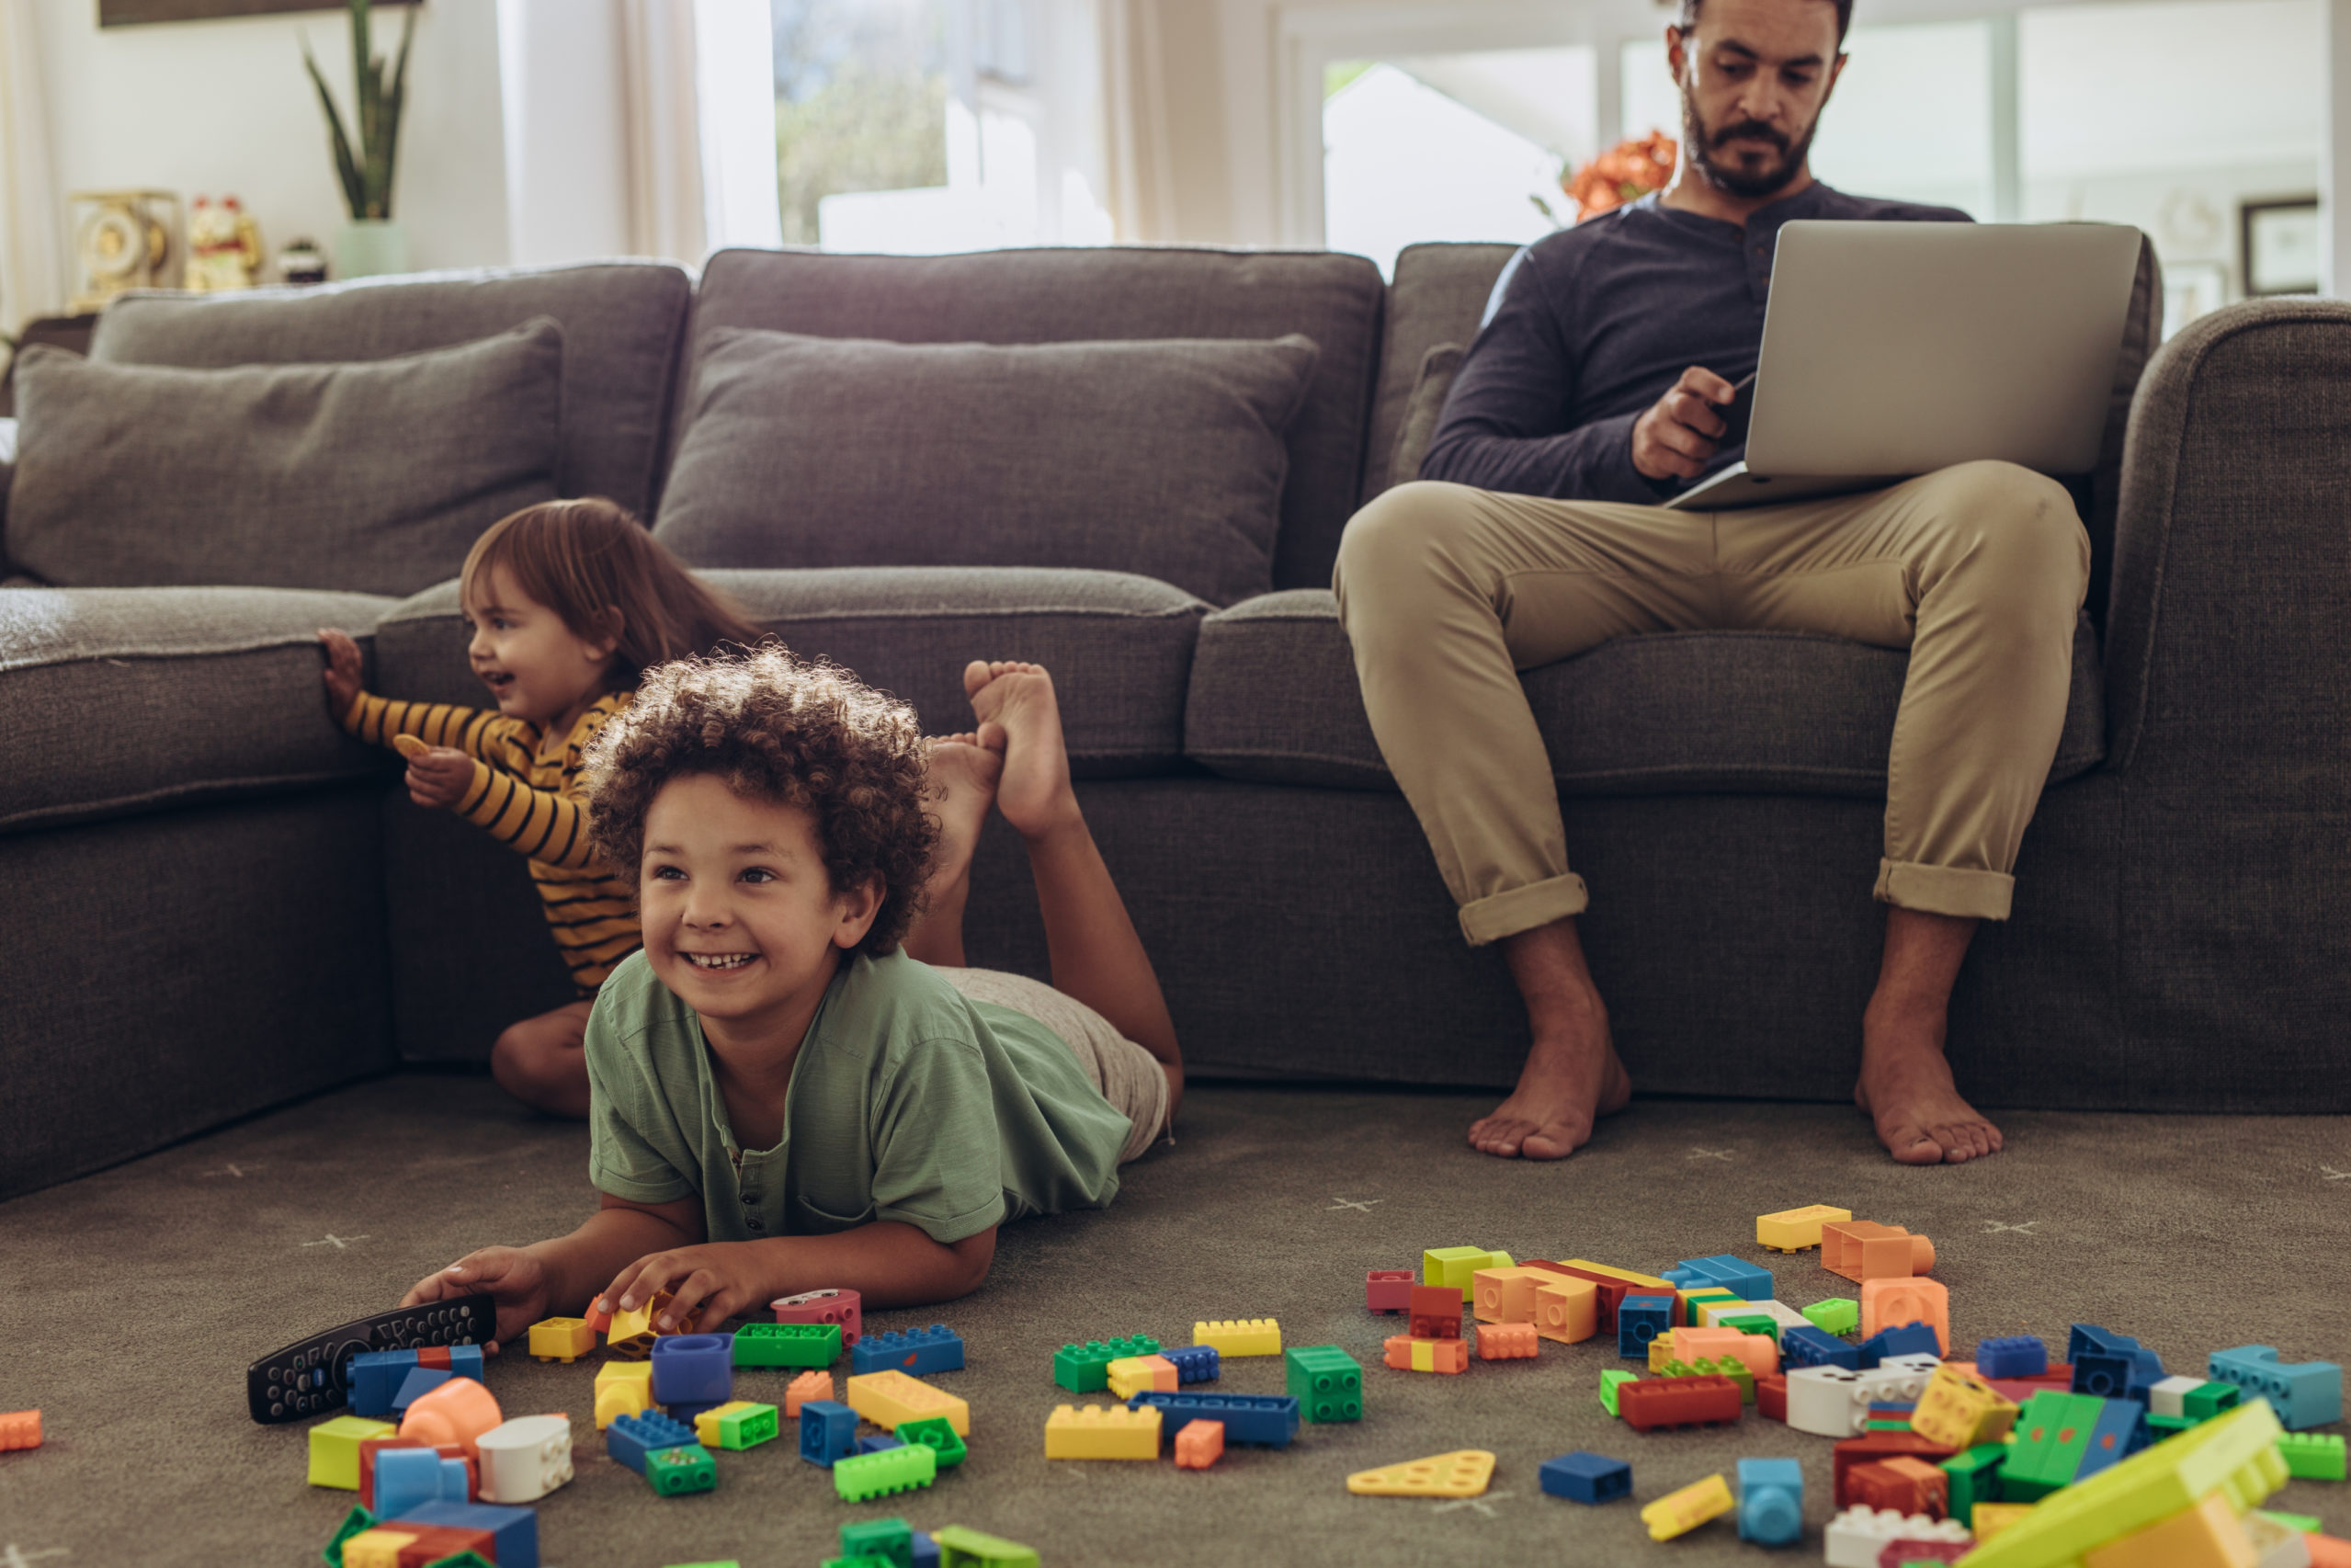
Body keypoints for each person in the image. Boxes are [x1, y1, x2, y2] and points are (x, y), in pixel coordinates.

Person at [1332, 0, 2088, 1165]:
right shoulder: (1565, 265)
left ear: (1834, 75)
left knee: (2025, 511)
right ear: (1679, 52)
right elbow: (1458, 461)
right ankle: (1565, 1016)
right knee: (1394, 535)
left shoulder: (1923, 242)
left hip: (1852, 544)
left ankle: (1907, 1022)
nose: (1759, 103)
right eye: (1732, 66)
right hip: (1625, 546)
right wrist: (1623, 447)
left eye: (1794, 74)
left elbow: (2018, 441)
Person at [397, 649, 1182, 1336]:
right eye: (670, 871)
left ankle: (1044, 813)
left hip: (1028, 1048)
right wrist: (550, 1272)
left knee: (1159, 1069)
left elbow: (950, 1250)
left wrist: (761, 1266)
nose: (701, 912)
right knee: (908, 989)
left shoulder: (919, 1034)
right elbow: (647, 1219)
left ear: (851, 902)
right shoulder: (632, 1013)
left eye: (755, 874)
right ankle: (934, 875)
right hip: (896, 996)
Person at [319, 498, 767, 1117]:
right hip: (621, 1002)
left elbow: (588, 836)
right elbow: (438, 724)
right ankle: (690, 1107)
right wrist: (356, 710)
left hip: (696, 985)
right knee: (524, 1057)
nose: (478, 649)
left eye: (502, 624)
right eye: (473, 625)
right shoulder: (527, 735)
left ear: (598, 634)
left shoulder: (626, 730)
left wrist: (475, 790)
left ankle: (723, 1093)